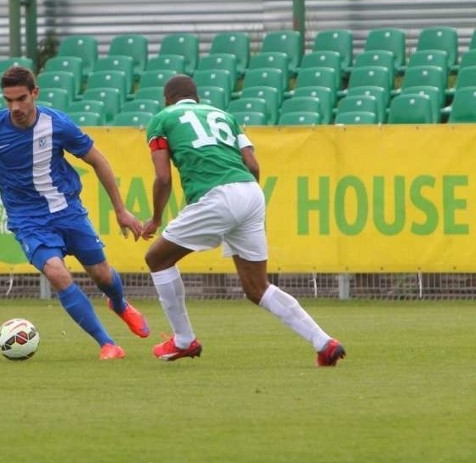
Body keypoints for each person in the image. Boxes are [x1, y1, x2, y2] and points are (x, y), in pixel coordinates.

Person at [141, 75, 346, 366]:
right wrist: (245, 206)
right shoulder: (225, 115)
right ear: (196, 98)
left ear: (167, 99)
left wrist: (156, 219)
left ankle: (184, 340)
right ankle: (324, 342)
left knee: (157, 259)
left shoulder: (162, 119)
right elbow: (253, 165)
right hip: (250, 192)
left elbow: (163, 178)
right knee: (256, 287)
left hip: (216, 196)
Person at [0, 66, 150, 360]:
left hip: (67, 211)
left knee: (102, 275)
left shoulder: (58, 124)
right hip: (28, 220)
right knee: (57, 273)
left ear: (35, 93)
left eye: (21, 99)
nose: (15, 107)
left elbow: (98, 160)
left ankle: (119, 303)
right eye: (8, 100)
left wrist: (121, 209)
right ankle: (107, 343)